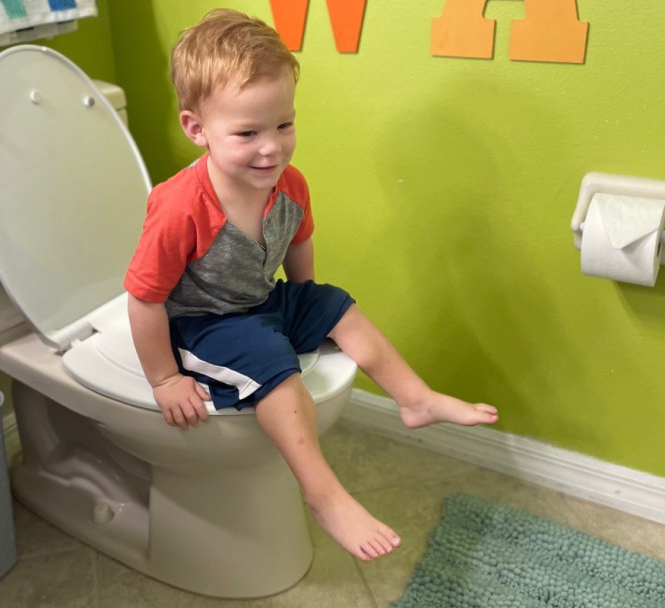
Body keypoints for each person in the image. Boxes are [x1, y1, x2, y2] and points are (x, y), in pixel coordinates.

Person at [123, 8, 498, 562]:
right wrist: (163, 380)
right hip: (200, 326)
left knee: (335, 304)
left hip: (258, 302)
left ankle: (414, 399)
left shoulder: (288, 183)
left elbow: (297, 242)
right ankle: (324, 496)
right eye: (247, 132)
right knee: (275, 364)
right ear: (196, 128)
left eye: (284, 125)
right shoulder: (181, 207)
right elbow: (144, 298)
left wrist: (305, 305)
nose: (271, 147)